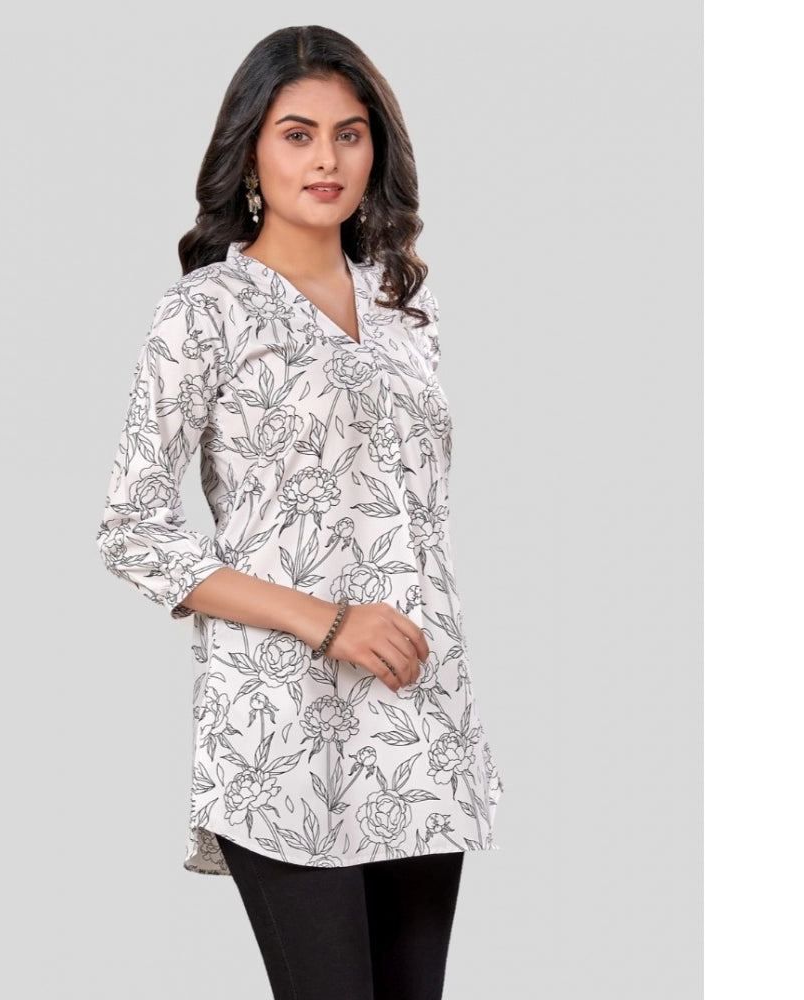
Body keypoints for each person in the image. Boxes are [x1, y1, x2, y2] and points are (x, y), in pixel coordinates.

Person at [95, 24, 504, 1000]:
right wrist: (328, 621)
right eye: (298, 134)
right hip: (282, 723)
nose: (327, 159)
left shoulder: (405, 306)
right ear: (250, 152)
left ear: (376, 150)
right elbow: (132, 529)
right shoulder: (206, 311)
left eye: (349, 134)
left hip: (416, 716)